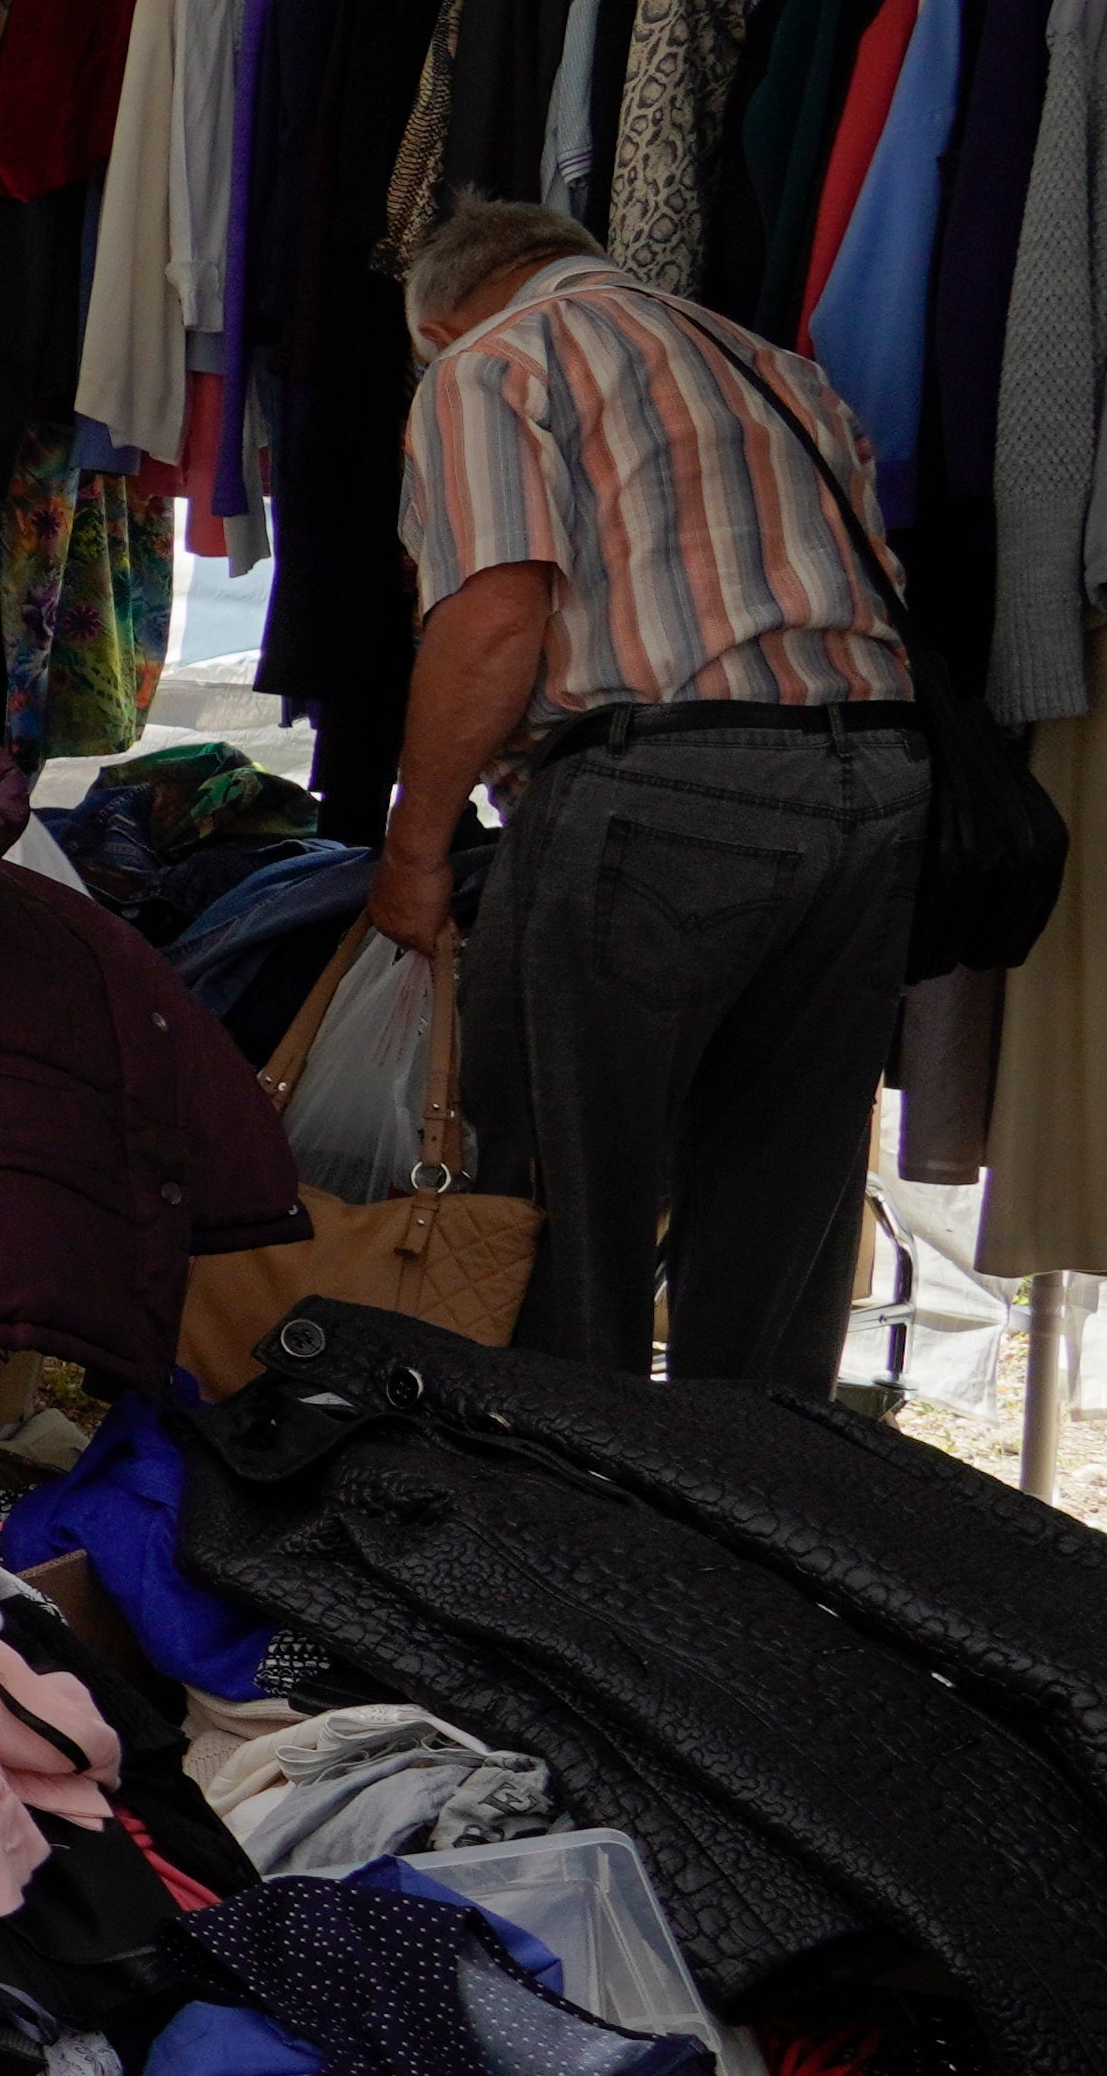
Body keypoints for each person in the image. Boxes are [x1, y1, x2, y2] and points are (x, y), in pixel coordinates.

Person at [372, 197, 925, 1388]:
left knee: (568, 1209)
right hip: (873, 782)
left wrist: (414, 849)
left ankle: (574, 1526)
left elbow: (495, 616)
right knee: (783, 1215)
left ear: (441, 314)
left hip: (661, 789)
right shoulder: (778, 368)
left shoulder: (491, 364)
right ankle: (755, 1525)